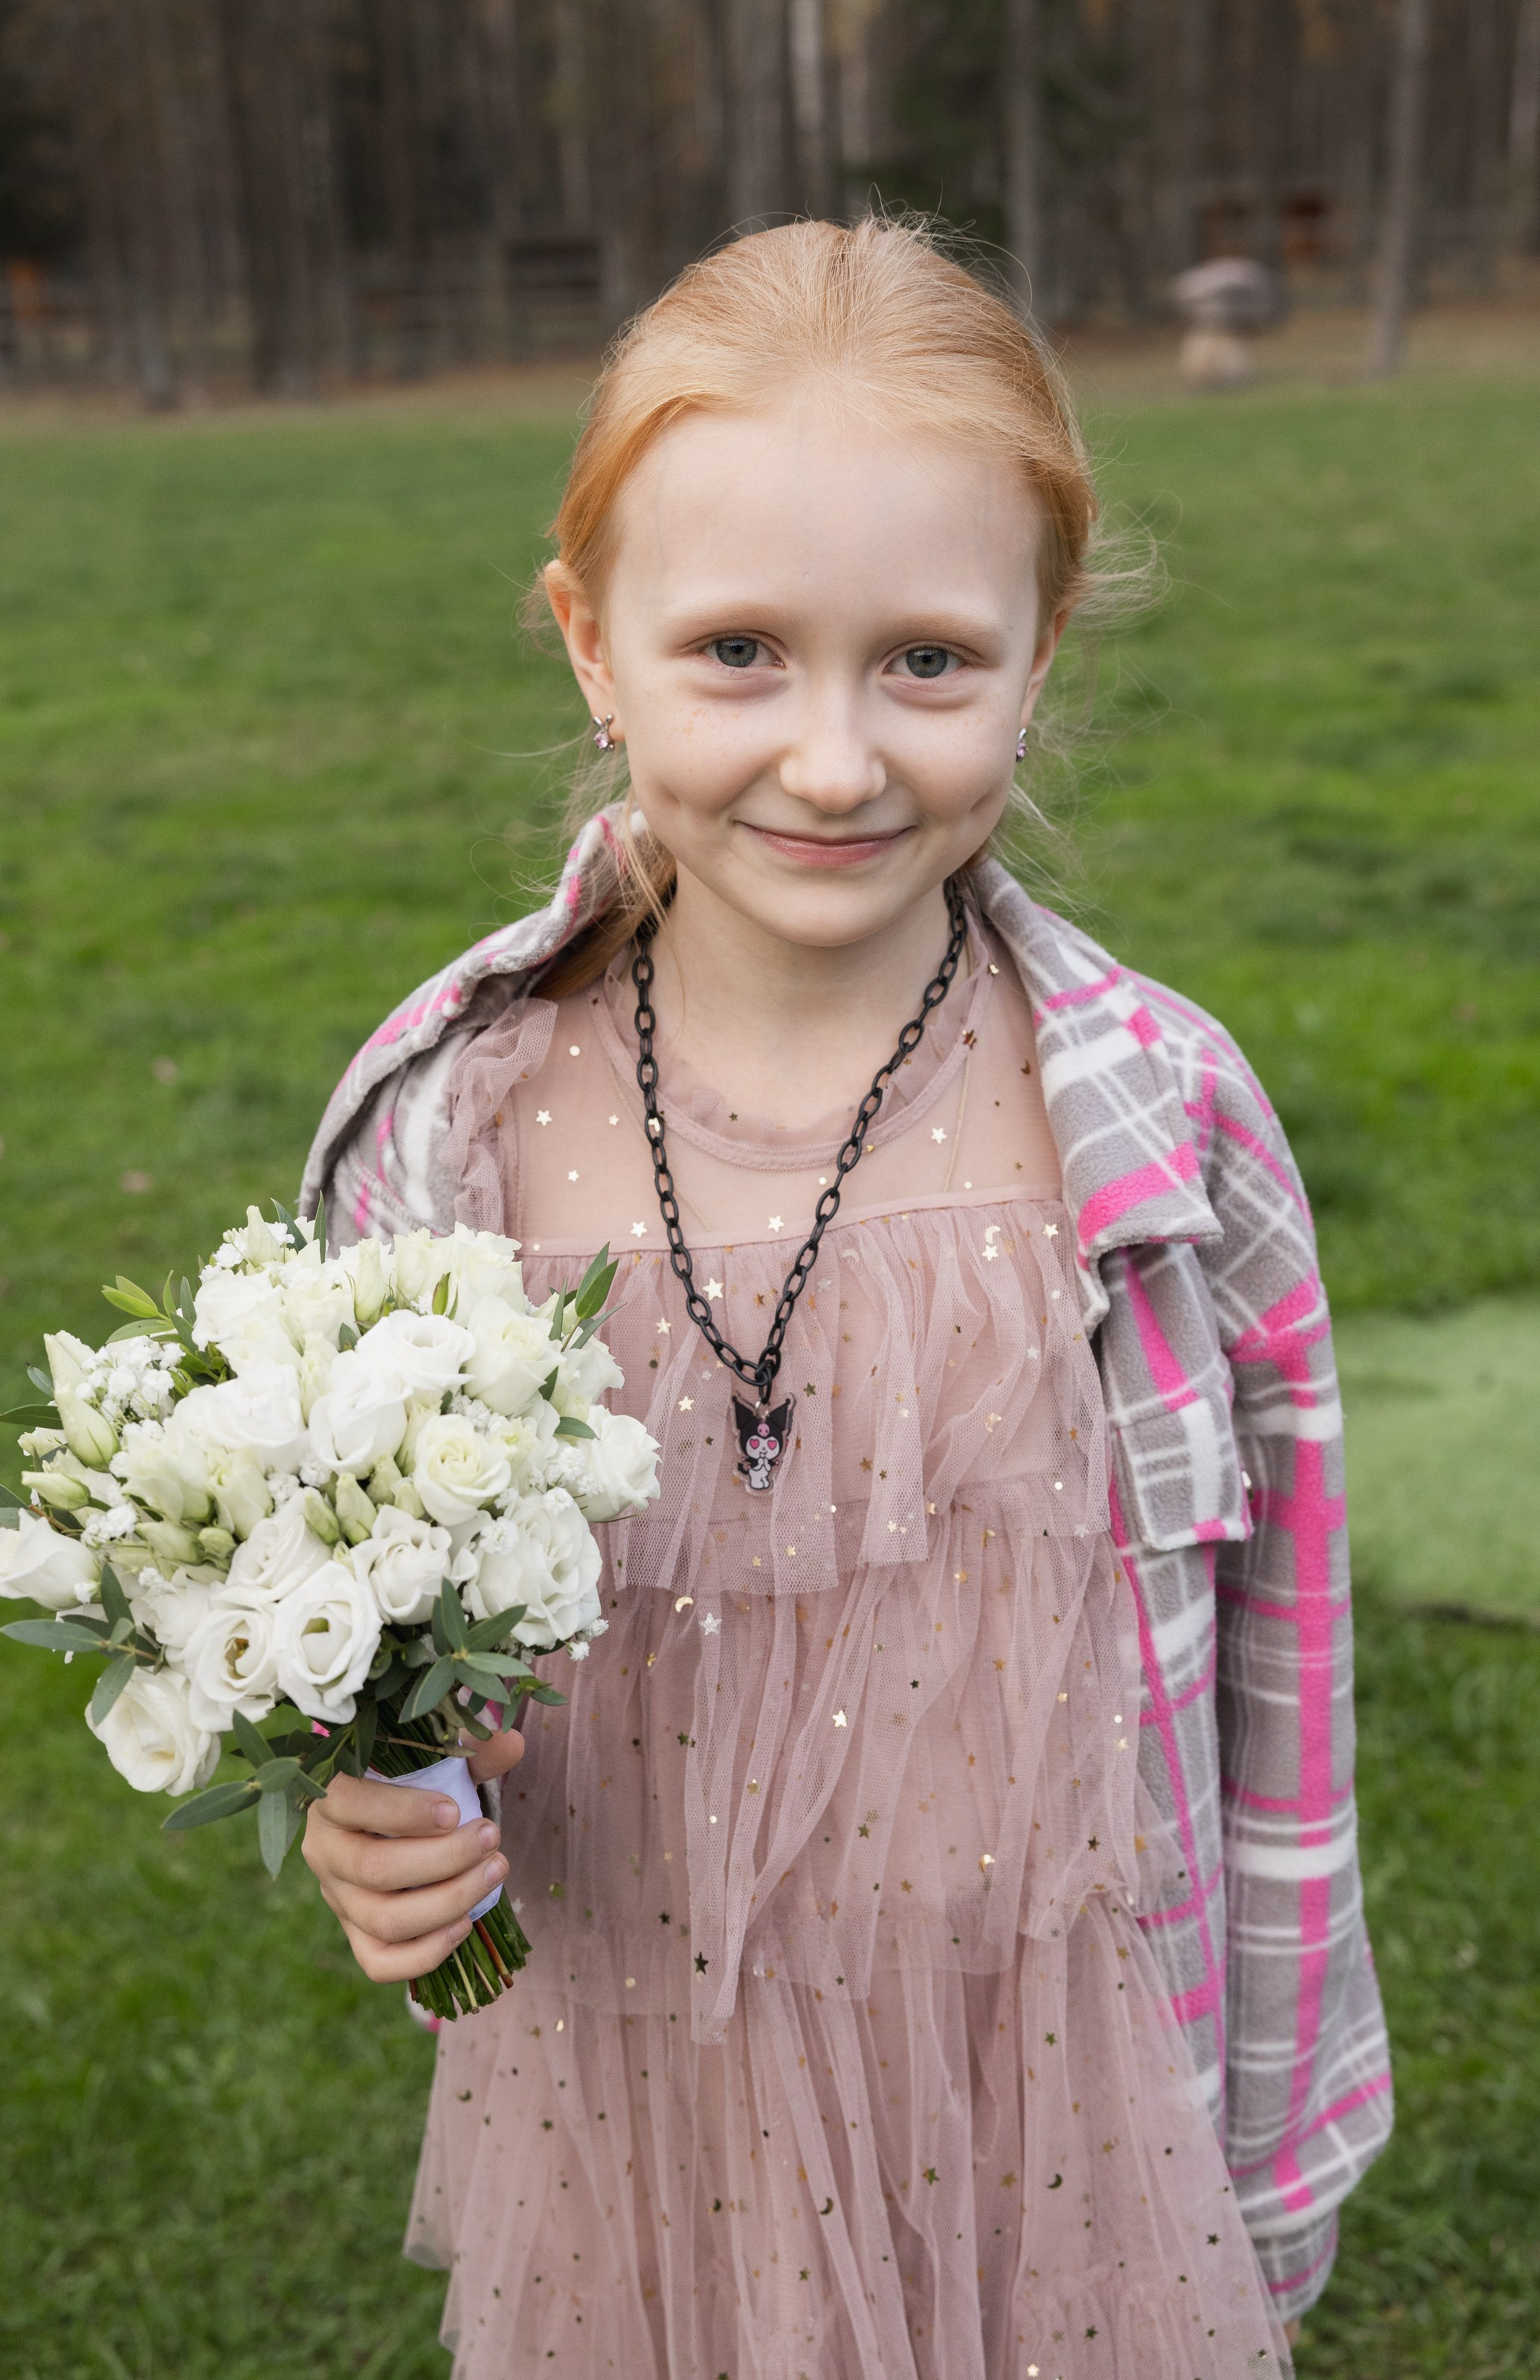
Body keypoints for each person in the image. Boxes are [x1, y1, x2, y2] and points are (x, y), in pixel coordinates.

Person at [298, 217, 1391, 2377]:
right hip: (644, 2109)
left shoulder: (1163, 1135)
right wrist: (378, 1809)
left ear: (1039, 650)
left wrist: (1265, 2168)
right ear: (591, 643)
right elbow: (379, 1656)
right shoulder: (445, 1141)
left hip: (1064, 2118)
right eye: (738, 651)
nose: (830, 759)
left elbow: (1286, 1694)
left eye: (926, 661)